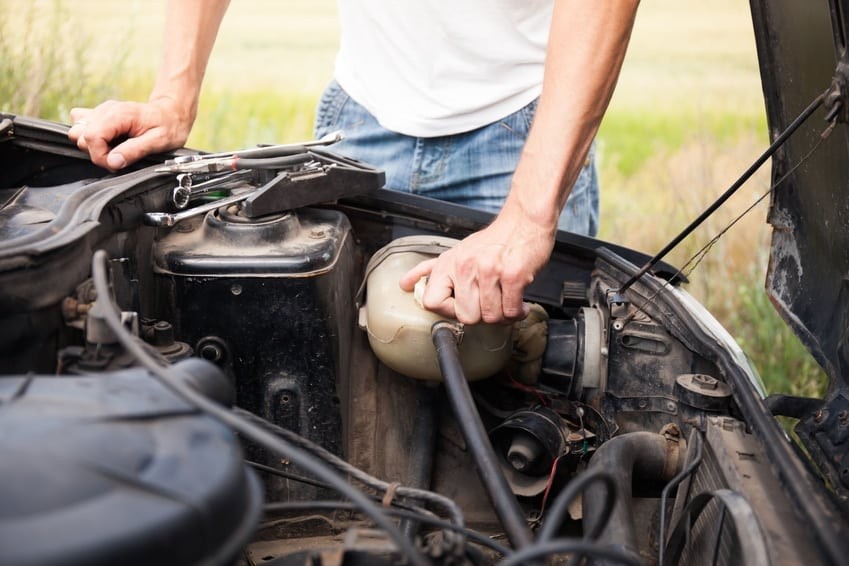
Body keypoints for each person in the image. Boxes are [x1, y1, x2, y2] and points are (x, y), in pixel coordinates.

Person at [69, 0, 639, 325]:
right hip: (360, 123)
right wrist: (173, 97)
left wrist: (528, 216)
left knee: (530, 401)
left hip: (522, 130)